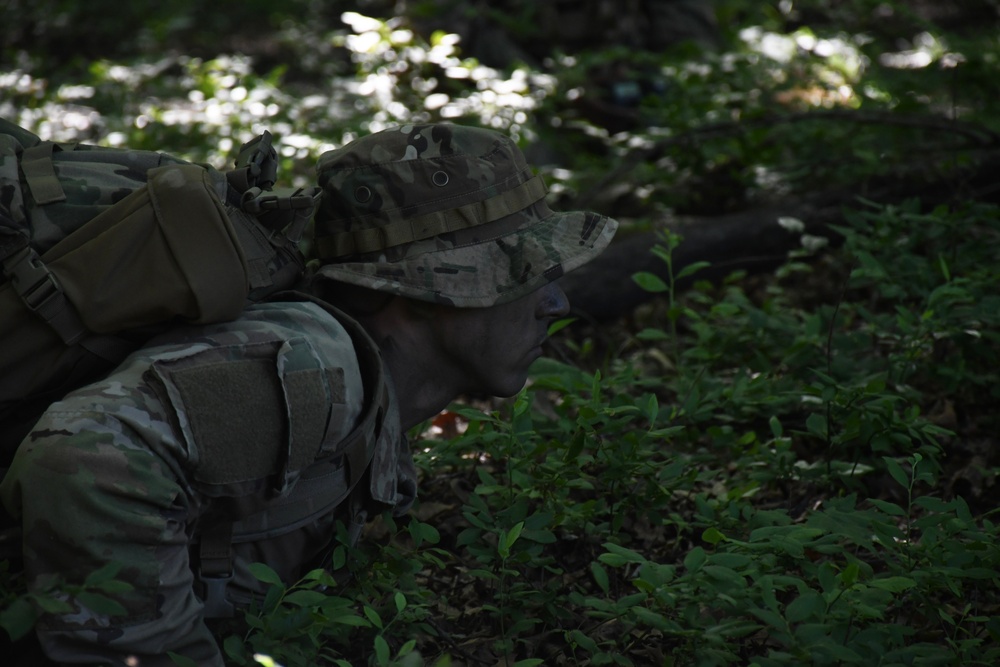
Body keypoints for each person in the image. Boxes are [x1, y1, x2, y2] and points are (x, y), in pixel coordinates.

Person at [0, 123, 618, 665]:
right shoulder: (314, 366)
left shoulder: (356, 387)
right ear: (422, 292)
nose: (557, 303)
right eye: (524, 275)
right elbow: (80, 464)